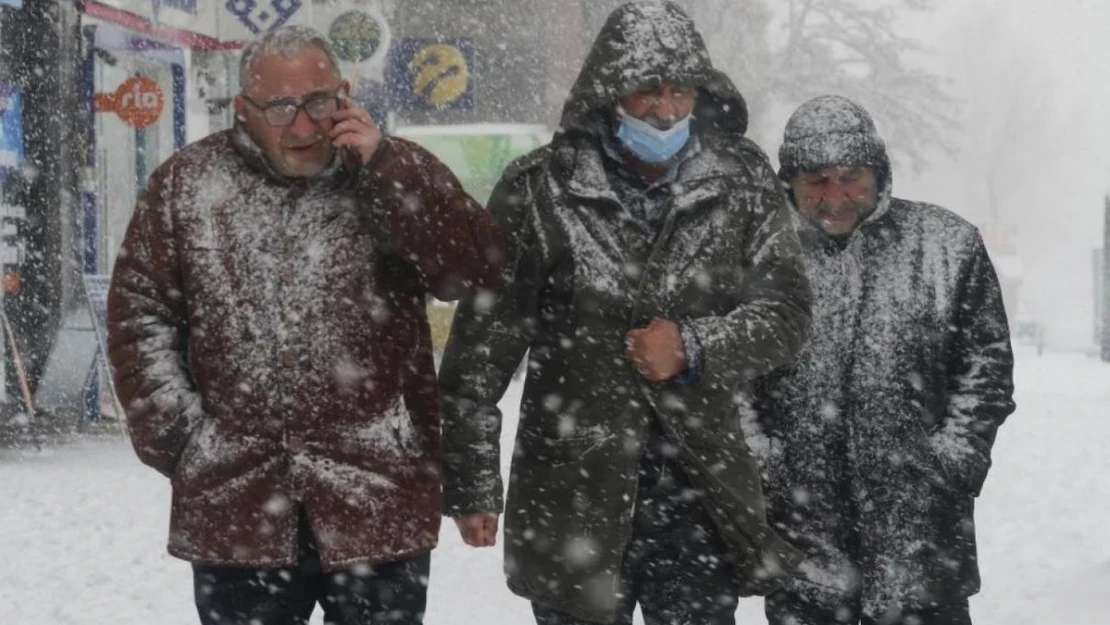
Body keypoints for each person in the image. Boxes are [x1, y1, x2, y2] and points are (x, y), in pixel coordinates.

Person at [106, 25, 502, 625]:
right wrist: (186, 441)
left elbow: (475, 274)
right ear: (243, 109)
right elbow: (139, 316)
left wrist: (388, 169)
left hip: (377, 496)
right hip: (237, 505)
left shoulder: (391, 169)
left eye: (319, 101)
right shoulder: (186, 186)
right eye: (282, 107)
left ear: (344, 94)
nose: (302, 125)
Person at [438, 2, 812, 624]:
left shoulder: (741, 180)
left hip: (699, 495)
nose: (666, 111)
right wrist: (472, 481)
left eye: (681, 91)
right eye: (646, 92)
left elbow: (786, 313)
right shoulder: (540, 189)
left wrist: (694, 346)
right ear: (608, 92)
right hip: (571, 493)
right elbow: (482, 350)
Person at [745, 95, 1016, 625]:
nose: (834, 197)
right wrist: (764, 463)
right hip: (805, 545)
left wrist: (951, 462)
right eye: (815, 181)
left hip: (922, 544)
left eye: (851, 177)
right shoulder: (759, 258)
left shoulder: (948, 245)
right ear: (788, 182)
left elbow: (985, 371)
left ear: (879, 172)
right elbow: (732, 379)